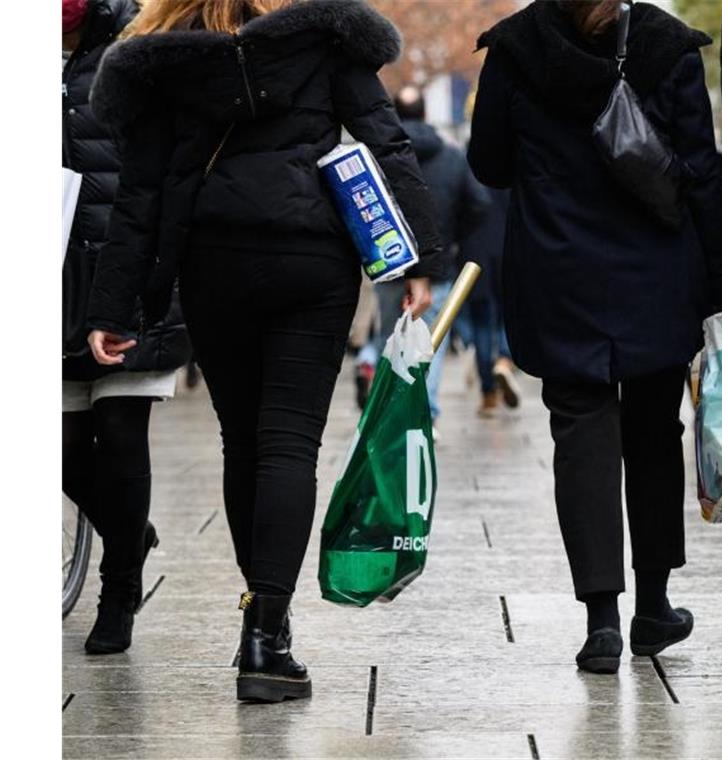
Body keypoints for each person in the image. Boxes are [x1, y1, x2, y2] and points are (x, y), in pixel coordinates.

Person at [86, 0, 443, 702]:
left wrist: (111, 306)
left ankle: (262, 617)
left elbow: (141, 192)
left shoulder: (164, 57)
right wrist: (421, 256)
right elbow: (386, 140)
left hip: (212, 261)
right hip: (311, 263)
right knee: (288, 446)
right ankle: (266, 641)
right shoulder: (324, 40)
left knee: (242, 443)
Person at [469, 0, 722, 673]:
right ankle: (654, 606)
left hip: (558, 273)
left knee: (579, 433)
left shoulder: (513, 48)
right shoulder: (665, 45)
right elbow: (701, 169)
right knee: (653, 434)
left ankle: (601, 622)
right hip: (654, 273)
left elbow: (490, 163)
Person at [62, 0, 191, 656]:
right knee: (57, 448)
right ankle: (127, 531)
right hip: (51, 281)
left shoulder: (142, 40)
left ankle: (119, 592)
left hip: (132, 270)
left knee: (118, 432)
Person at [354, 86, 490, 428]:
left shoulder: (379, 157)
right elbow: (480, 203)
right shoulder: (453, 157)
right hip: (437, 266)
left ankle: (384, 403)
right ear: (427, 114)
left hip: (391, 267)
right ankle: (423, 414)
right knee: (431, 345)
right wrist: (453, 238)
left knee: (390, 336)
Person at [458, 186, 523, 417]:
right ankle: (505, 360)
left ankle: (488, 393)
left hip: (474, 253)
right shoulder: (513, 163)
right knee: (510, 315)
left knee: (481, 324)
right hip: (509, 247)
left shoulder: (468, 165)